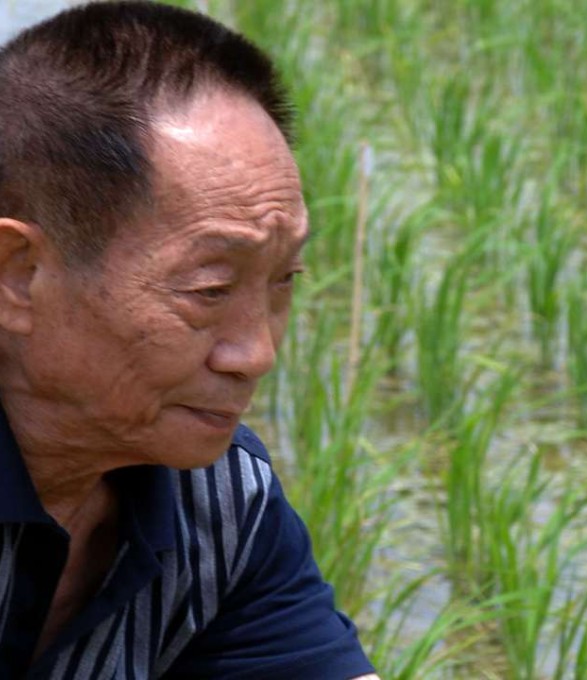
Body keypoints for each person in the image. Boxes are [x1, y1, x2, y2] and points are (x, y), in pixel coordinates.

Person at [0, 2, 380, 678]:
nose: (257, 355)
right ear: (18, 275)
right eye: (209, 290)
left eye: (284, 280)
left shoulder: (224, 507)